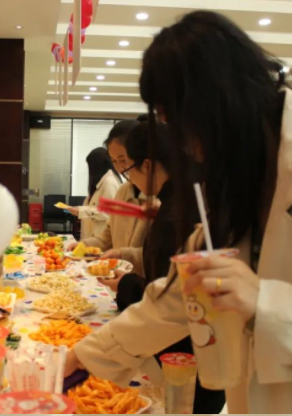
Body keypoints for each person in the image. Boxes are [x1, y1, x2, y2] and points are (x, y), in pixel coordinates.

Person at [66, 11, 292, 414]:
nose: (186, 147)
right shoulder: (238, 174)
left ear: (216, 101)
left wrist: (268, 306)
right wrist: (82, 359)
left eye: (179, 123)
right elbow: (179, 299)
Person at [111, 120, 227, 414]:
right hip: (198, 347)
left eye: (128, 169)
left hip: (187, 354)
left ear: (148, 165)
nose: (129, 178)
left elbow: (172, 298)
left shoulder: (181, 210)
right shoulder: (184, 198)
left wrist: (125, 284)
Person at [66, 118, 149, 274]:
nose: (120, 168)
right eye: (114, 161)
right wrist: (85, 245)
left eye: (123, 160)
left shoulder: (160, 197)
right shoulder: (123, 191)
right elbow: (109, 233)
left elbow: (161, 254)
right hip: (118, 277)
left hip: (141, 282)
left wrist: (122, 254)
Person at [67, 147, 122, 240]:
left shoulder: (110, 182)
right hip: (92, 237)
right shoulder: (101, 182)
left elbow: (108, 212)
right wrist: (79, 210)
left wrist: (82, 211)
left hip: (101, 238)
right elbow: (92, 206)